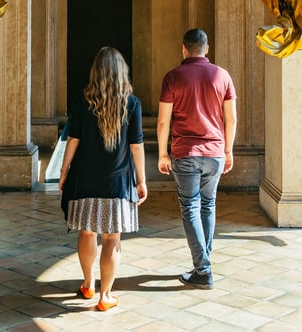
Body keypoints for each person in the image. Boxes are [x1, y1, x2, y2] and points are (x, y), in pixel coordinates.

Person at [59, 47, 148, 311]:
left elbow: (72, 139)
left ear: (95, 72)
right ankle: (105, 296)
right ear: (123, 72)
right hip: (118, 182)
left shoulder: (82, 100)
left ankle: (88, 284)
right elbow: (136, 146)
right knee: (111, 238)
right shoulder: (131, 104)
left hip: (84, 178)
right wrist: (141, 180)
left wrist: (64, 171)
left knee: (87, 232)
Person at [157, 29, 236, 289]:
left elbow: (163, 121)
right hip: (214, 152)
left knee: (190, 207)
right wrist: (228, 150)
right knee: (208, 206)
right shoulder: (222, 75)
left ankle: (203, 269)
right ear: (207, 48)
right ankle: (203, 264)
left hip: (186, 152)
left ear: (183, 49)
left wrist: (162, 153)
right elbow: (231, 118)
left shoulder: (173, 77)